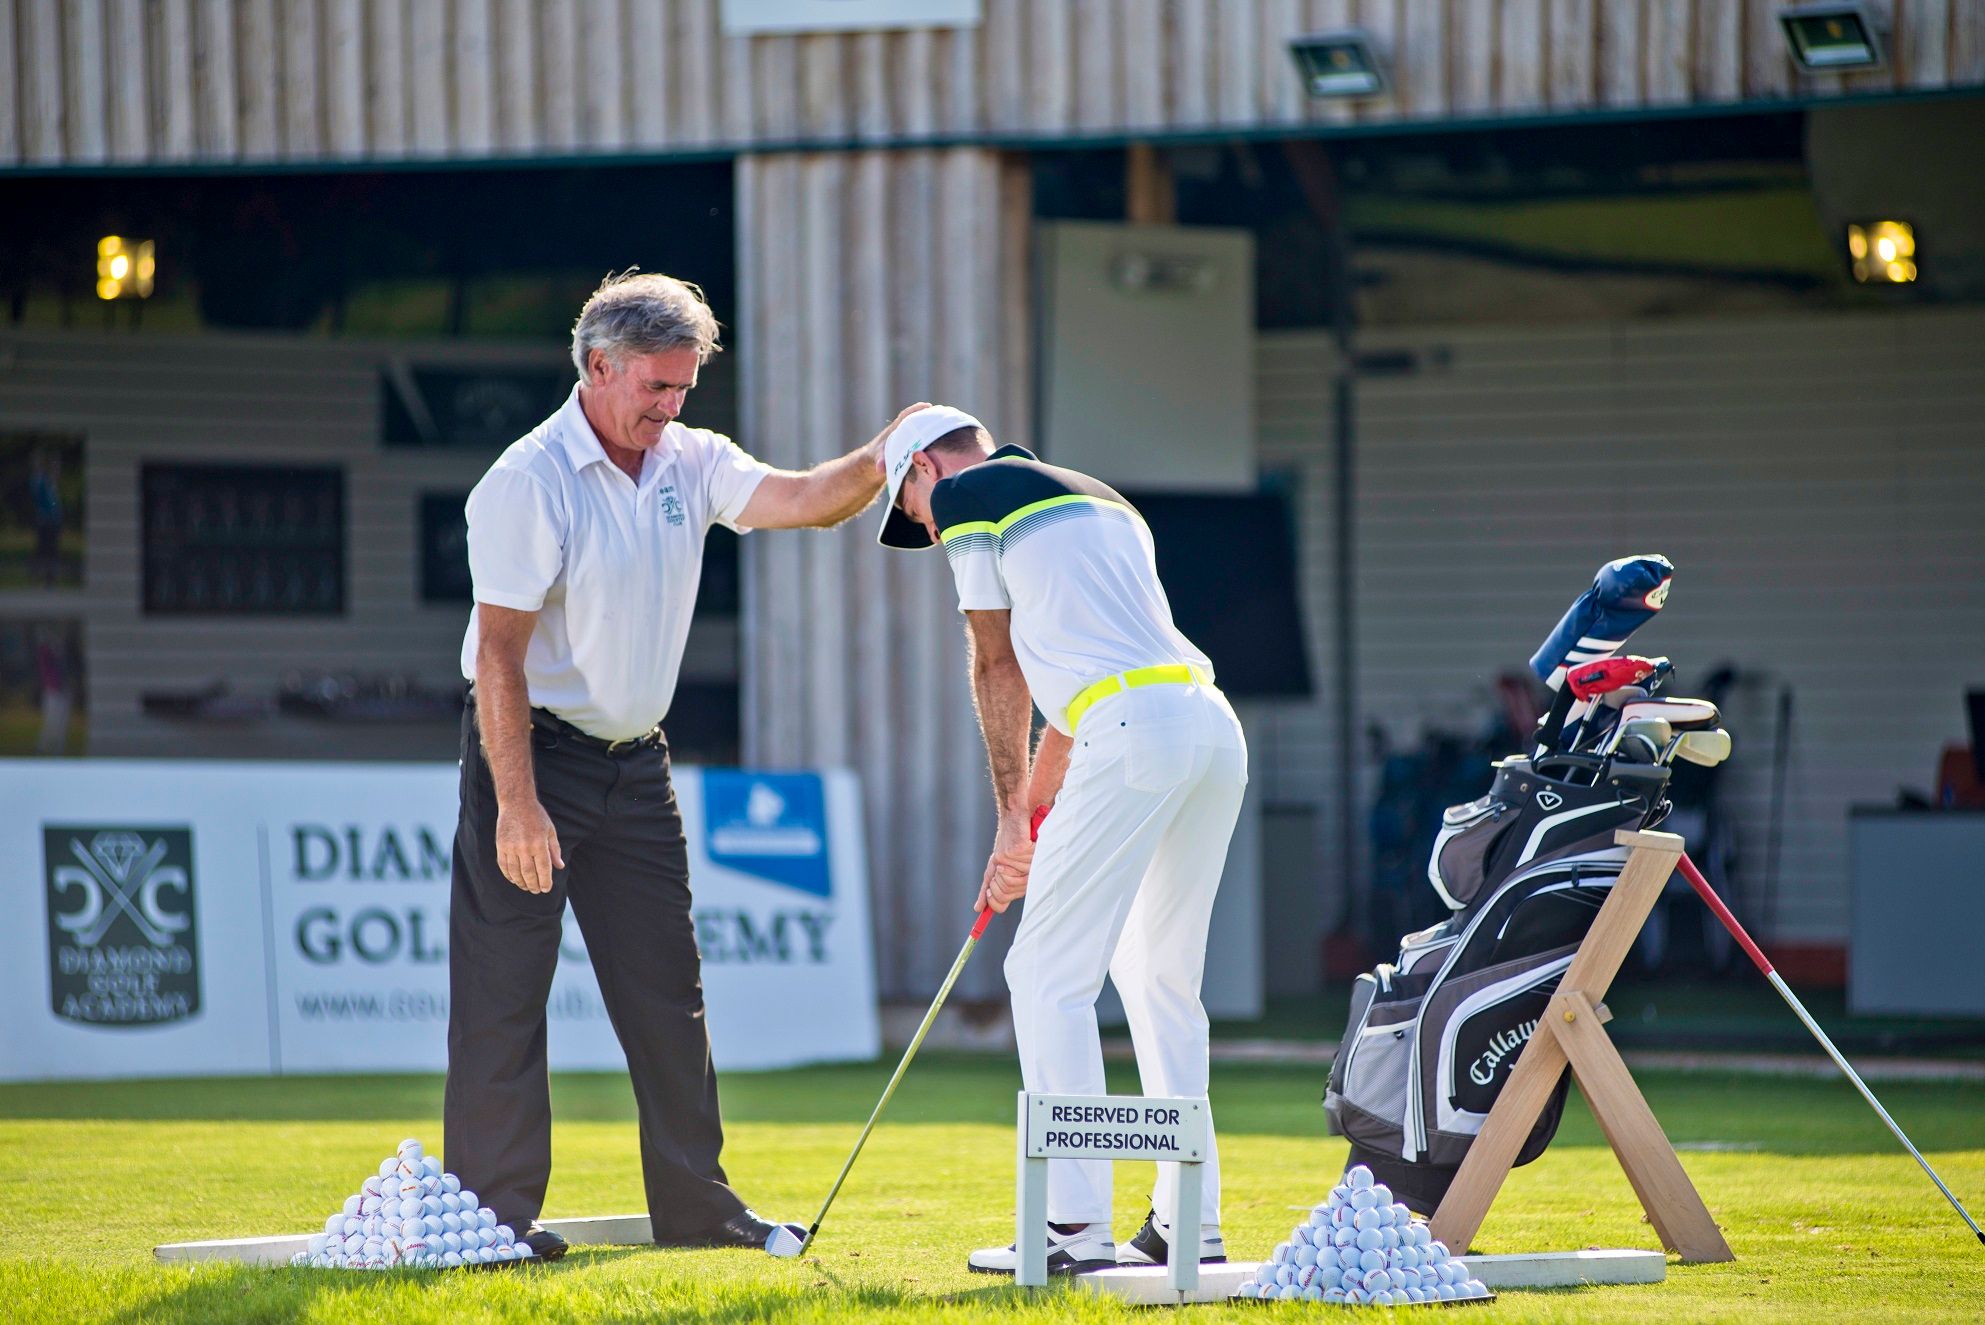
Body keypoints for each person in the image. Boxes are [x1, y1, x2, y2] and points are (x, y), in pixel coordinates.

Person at [449, 271, 914, 1260]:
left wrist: (884, 454)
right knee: (503, 991)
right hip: (532, 756)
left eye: (683, 388)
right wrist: (517, 805)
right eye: (655, 386)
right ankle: (490, 1220)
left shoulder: (690, 458)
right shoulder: (527, 479)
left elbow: (804, 501)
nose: (670, 407)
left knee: (668, 992)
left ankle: (699, 1209)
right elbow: (497, 657)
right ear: (597, 365)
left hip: (637, 766)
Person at [875, 406, 1247, 1275]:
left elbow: (995, 660)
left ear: (924, 467)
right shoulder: (1101, 498)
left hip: (1135, 728)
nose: (927, 532)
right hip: (1206, 724)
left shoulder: (966, 494)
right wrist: (1027, 823)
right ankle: (1188, 1222)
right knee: (1159, 980)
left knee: (1044, 972)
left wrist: (1010, 815)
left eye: (912, 513)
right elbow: (1082, 696)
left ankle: (1071, 1225)